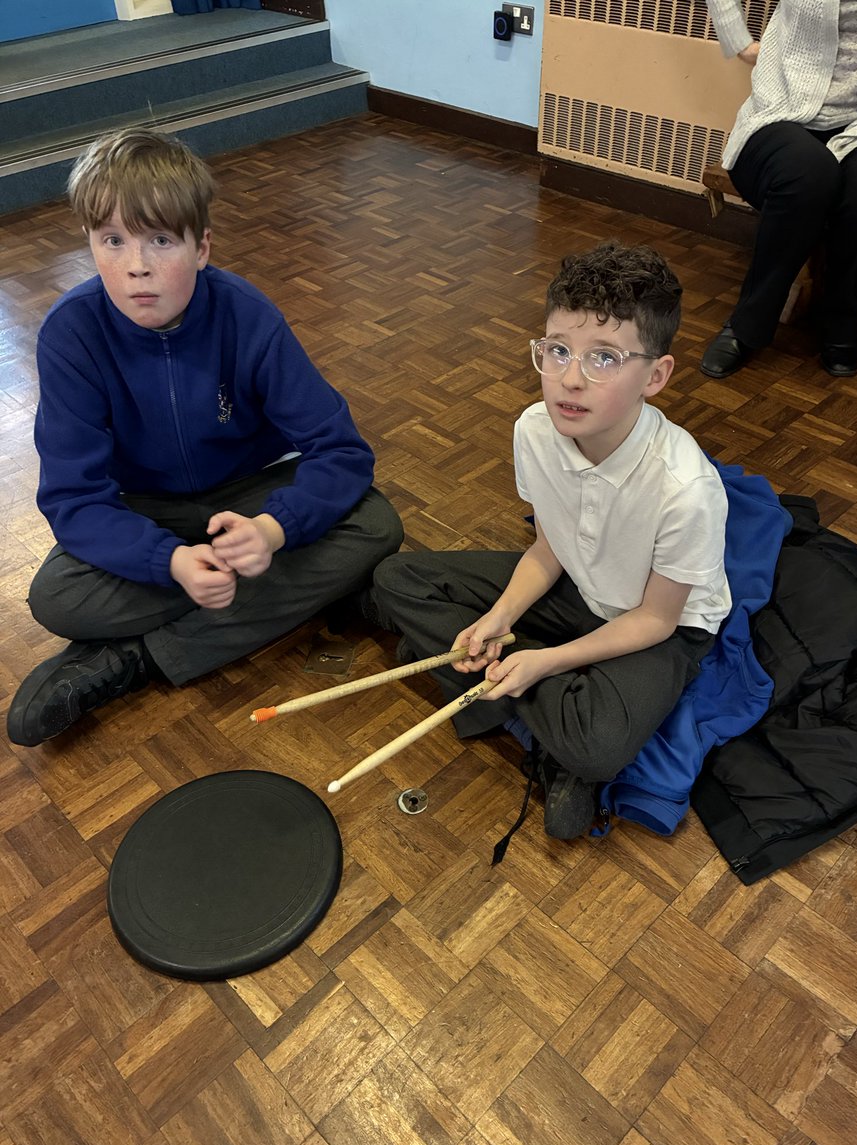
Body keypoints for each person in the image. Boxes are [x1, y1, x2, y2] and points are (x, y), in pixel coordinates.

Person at [6, 127, 403, 748]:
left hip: (249, 493)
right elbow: (74, 499)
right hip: (146, 509)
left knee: (377, 525)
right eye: (112, 240)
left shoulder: (248, 315)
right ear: (89, 242)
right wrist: (168, 560)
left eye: (161, 240)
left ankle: (132, 659)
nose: (136, 265)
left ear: (202, 247)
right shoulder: (71, 333)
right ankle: (298, 593)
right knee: (55, 597)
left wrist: (272, 529)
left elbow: (342, 452)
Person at [370, 241, 732, 840]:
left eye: (605, 358)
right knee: (395, 580)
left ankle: (520, 703)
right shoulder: (534, 429)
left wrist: (546, 661)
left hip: (657, 626)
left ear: (656, 376)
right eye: (558, 350)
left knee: (598, 747)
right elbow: (548, 547)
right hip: (578, 585)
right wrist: (500, 616)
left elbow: (657, 620)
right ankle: (534, 698)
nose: (569, 379)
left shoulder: (687, 490)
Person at [700, 0, 857, 380]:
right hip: (781, 111)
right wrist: (740, 43)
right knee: (809, 174)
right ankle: (748, 326)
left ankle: (842, 318)